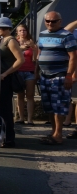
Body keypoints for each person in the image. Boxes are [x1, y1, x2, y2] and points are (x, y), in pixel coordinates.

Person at [37, 12, 77, 145]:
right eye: (47, 21)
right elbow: (40, 52)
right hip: (44, 76)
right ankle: (53, 133)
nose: (50, 23)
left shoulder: (67, 36)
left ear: (60, 21)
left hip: (59, 76)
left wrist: (69, 75)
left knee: (59, 106)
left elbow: (73, 56)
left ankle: (58, 135)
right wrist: (37, 70)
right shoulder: (42, 34)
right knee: (49, 106)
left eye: (53, 21)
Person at [0, 17, 24, 148]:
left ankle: (8, 138)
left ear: (9, 28)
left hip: (5, 79)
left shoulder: (10, 41)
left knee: (5, 109)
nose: (0, 29)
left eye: (3, 27)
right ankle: (1, 135)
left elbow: (20, 60)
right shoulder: (1, 40)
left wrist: (5, 73)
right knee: (0, 109)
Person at [14, 23, 37, 125]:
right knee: (20, 95)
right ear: (17, 32)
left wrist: (34, 48)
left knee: (30, 95)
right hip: (18, 71)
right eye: (20, 30)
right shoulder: (14, 43)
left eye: (24, 30)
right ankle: (21, 118)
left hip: (29, 71)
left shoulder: (32, 43)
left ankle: (30, 119)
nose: (22, 32)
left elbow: (35, 60)